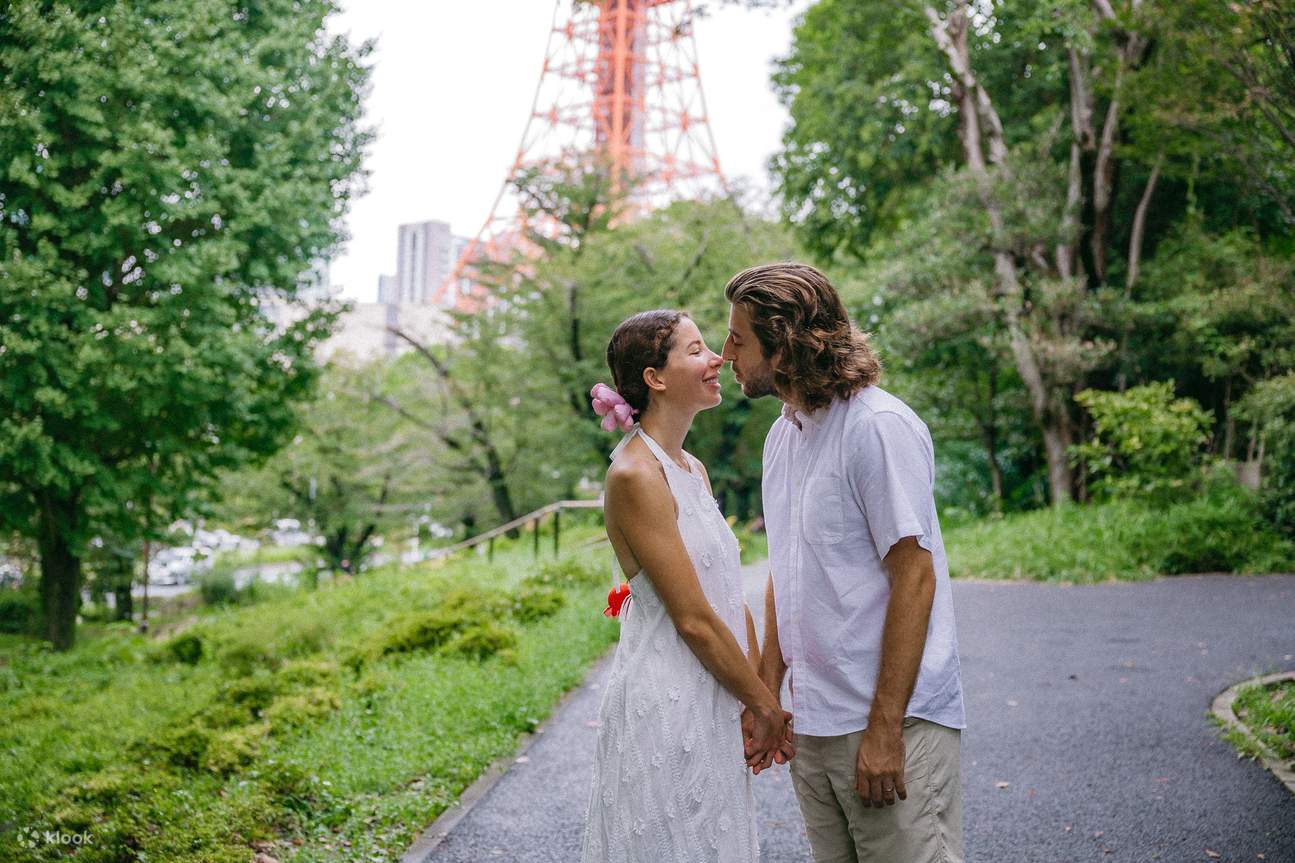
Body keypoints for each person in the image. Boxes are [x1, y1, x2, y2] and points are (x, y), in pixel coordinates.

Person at [722, 263, 966, 863]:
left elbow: (915, 575)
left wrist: (884, 730)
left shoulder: (878, 428)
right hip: (814, 724)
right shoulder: (782, 438)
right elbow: (787, 576)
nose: (725, 351)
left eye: (738, 339)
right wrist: (769, 699)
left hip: (889, 726)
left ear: (783, 347)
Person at [579, 309, 792, 863]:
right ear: (655, 377)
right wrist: (764, 705)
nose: (717, 357)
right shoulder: (634, 476)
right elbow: (693, 618)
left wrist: (753, 695)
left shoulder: (690, 468)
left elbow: (725, 591)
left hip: (715, 692)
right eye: (696, 350)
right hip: (667, 697)